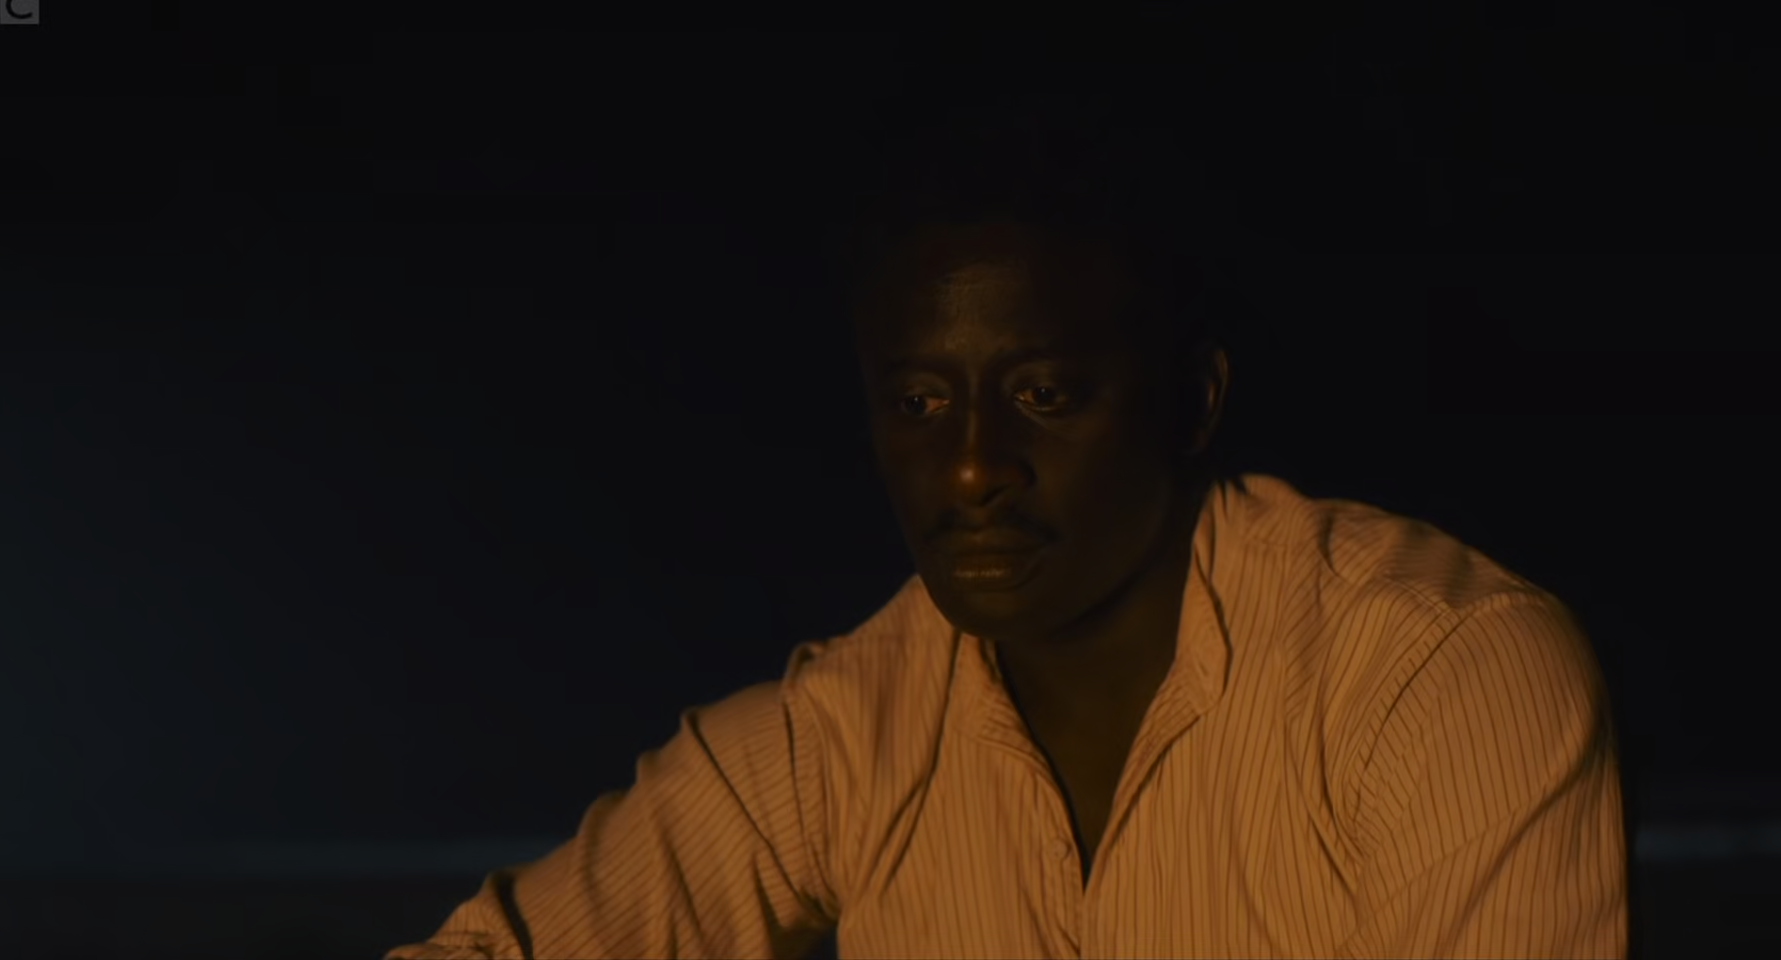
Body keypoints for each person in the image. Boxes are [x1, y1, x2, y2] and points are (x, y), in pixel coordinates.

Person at [385, 119, 1628, 959]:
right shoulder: (844, 738)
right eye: (921, 404)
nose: (974, 466)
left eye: (1044, 394)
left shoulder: (1437, 676)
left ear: (1192, 402)